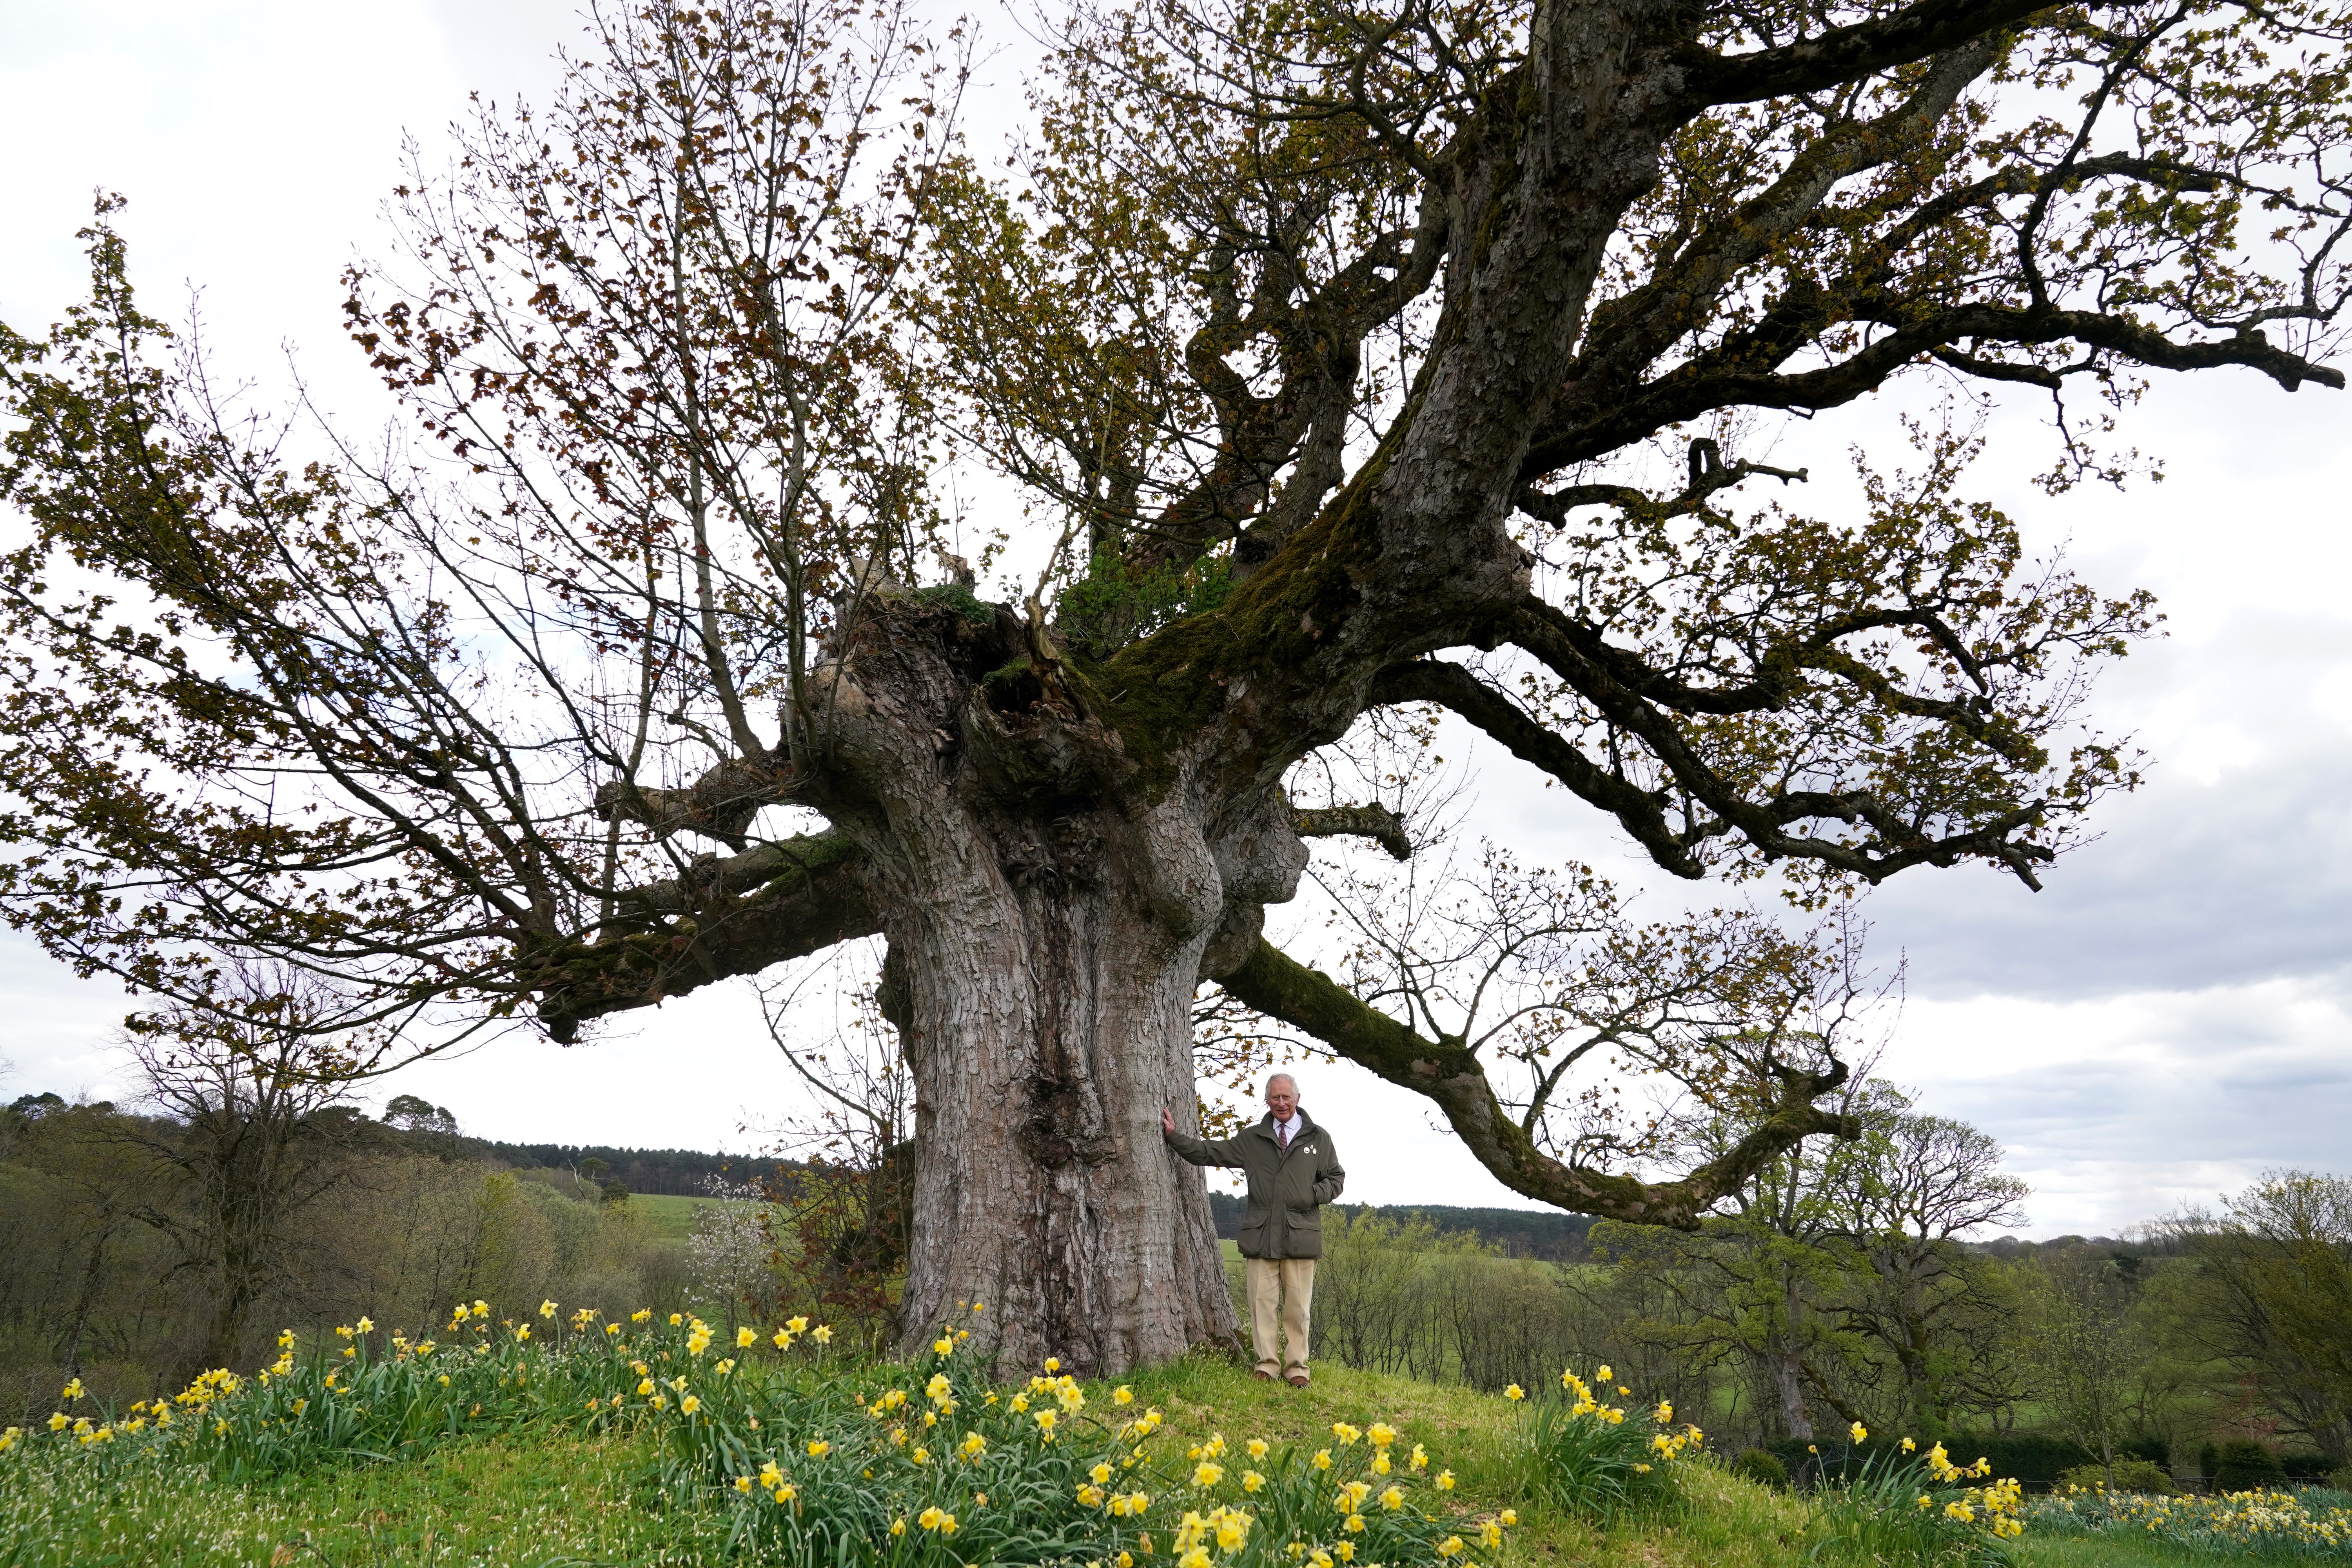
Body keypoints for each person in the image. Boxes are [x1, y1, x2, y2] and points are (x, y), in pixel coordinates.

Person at [1162, 1073, 1345, 1386]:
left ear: (1298, 1099)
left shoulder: (1319, 1138)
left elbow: (1336, 1179)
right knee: (1262, 1307)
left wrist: (1313, 1195)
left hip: (1301, 1237)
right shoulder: (1253, 1139)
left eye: (1287, 1097)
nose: (1281, 1103)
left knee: (1298, 1310)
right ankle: (1267, 1365)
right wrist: (1174, 1137)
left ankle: (1297, 1369)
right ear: (1267, 1100)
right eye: (1275, 1097)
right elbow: (1210, 1153)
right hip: (1260, 1237)